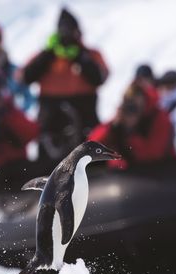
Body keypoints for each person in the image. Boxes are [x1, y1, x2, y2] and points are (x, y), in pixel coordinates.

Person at [21, 7, 109, 172]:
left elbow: (100, 77)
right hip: (51, 133)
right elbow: (26, 76)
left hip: (85, 127)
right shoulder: (46, 56)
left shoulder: (90, 55)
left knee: (92, 164)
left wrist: (80, 57)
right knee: (49, 168)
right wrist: (48, 53)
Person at [88, 81, 174, 169]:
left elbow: (152, 157)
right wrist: (112, 127)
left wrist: (131, 133)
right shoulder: (122, 118)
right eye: (129, 104)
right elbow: (91, 147)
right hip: (123, 175)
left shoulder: (159, 118)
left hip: (159, 173)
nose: (132, 109)